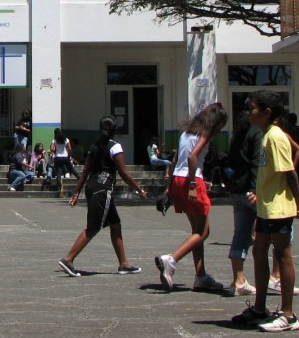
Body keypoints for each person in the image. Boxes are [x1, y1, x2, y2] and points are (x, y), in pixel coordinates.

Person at [231, 90, 299, 332]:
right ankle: (259, 308)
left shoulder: (275, 137)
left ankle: (288, 314)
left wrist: (298, 204)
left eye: (253, 108)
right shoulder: (266, 134)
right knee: (259, 251)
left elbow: (289, 173)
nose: (249, 113)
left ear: (267, 112)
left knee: (282, 254)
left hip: (279, 208)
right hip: (266, 206)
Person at [58, 116, 148, 277]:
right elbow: (124, 173)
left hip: (92, 187)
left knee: (115, 224)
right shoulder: (115, 147)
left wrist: (77, 192)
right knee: (94, 227)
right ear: (115, 130)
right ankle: (68, 259)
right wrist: (139, 189)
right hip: (103, 190)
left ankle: (124, 264)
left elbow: (85, 172)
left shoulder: (94, 146)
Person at [154, 102, 229, 293]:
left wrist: (168, 188)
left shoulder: (186, 133)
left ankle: (201, 276)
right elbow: (192, 157)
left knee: (196, 231)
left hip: (178, 179)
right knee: (203, 232)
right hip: (191, 179)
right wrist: (194, 184)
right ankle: (171, 260)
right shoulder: (205, 133)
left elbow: (175, 160)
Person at [225, 108, 262, 297]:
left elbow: (230, 160)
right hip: (251, 190)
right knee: (284, 233)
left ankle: (238, 280)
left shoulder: (237, 135)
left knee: (240, 234)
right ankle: (276, 276)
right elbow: (257, 162)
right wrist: (256, 188)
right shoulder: (257, 133)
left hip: (238, 189)